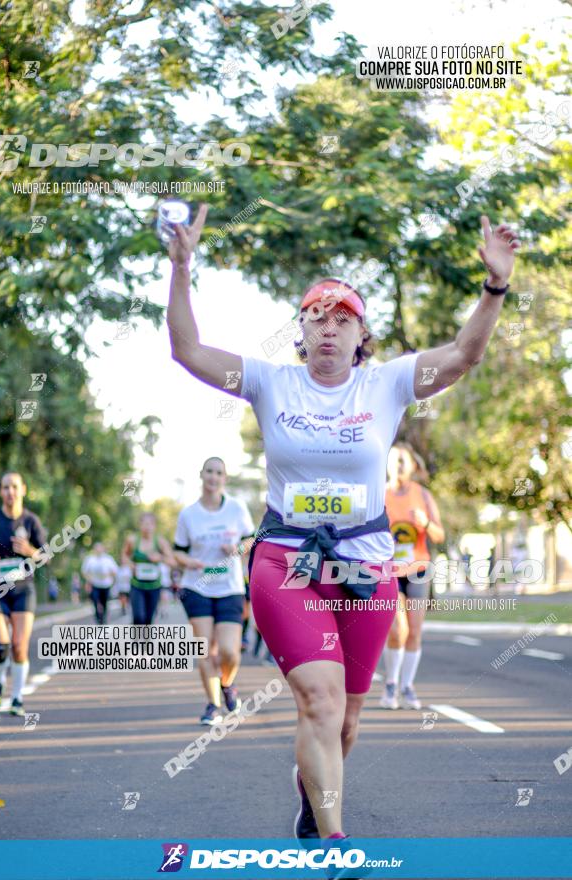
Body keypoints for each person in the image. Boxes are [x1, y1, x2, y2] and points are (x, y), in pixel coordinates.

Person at [165, 204, 519, 856]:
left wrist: (493, 286)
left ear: (362, 336)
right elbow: (186, 350)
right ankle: (332, 844)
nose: (328, 327)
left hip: (365, 565)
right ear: (299, 330)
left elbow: (466, 354)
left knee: (348, 719)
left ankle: (311, 793)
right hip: (287, 560)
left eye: (343, 318)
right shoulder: (271, 381)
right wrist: (181, 265)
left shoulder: (386, 383)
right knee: (321, 704)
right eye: (316, 316)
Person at [173, 457, 255, 725]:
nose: (213, 476)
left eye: (219, 472)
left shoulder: (236, 508)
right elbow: (178, 552)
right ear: (201, 475)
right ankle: (213, 705)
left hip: (229, 587)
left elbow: (252, 539)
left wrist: (238, 549)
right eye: (209, 471)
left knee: (230, 652)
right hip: (196, 587)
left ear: (224, 478)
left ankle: (227, 685)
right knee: (206, 650)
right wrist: (190, 562)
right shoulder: (188, 514)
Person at [380, 443, 445, 711]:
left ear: (413, 466)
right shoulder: (379, 495)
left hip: (418, 570)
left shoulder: (423, 496)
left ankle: (407, 686)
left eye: (403, 460)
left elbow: (440, 535)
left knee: (414, 632)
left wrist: (425, 523)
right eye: (394, 460)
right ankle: (391, 685)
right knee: (397, 629)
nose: (398, 465)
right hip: (390, 571)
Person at [0, 472, 47, 717]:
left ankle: (17, 698)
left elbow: (45, 556)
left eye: (14, 487)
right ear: (0, 492)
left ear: (23, 489)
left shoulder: (31, 521)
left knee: (19, 646)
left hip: (23, 589)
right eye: (5, 487)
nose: (10, 492)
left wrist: (30, 550)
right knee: (0, 646)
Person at [121, 512, 176, 626]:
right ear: (140, 525)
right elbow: (124, 556)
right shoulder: (132, 540)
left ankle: (145, 642)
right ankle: (137, 641)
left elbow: (172, 561)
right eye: (144, 524)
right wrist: (131, 564)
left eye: (150, 524)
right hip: (137, 585)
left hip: (154, 586)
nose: (147, 527)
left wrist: (160, 557)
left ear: (155, 525)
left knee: (148, 619)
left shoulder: (160, 541)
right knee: (138, 617)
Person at [81, 543, 118, 625]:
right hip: (95, 585)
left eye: (100, 548)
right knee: (95, 601)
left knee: (104, 602)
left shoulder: (108, 559)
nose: (98, 550)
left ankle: (103, 617)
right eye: (97, 548)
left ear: (103, 549)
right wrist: (89, 579)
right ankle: (98, 617)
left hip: (106, 585)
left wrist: (109, 575)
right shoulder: (90, 559)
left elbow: (115, 571)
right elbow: (84, 572)